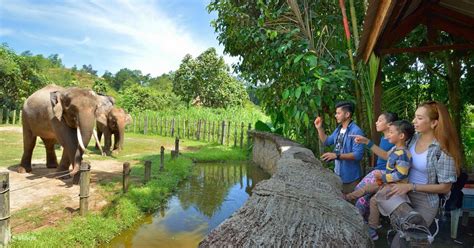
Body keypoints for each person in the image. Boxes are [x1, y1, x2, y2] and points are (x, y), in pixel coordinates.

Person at [386, 101, 461, 247]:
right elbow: (390, 156)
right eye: (415, 117)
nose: (414, 121)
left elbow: (445, 188)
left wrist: (411, 186)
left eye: (419, 118)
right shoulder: (412, 140)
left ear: (434, 123)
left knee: (403, 241)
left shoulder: (442, 149)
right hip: (404, 195)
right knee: (403, 239)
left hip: (425, 201)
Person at [347, 120, 415, 240]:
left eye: (391, 132)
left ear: (401, 136)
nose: (388, 135)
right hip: (386, 181)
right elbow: (386, 157)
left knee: (374, 200)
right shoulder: (395, 149)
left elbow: (401, 175)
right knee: (367, 188)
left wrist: (382, 177)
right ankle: (348, 197)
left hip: (394, 185)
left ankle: (372, 228)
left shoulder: (403, 154)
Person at [349, 112, 398, 240]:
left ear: (390, 125)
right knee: (363, 195)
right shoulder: (383, 138)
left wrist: (367, 142)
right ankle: (369, 226)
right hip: (378, 172)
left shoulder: (395, 140)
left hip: (384, 174)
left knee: (361, 197)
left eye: (380, 120)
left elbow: (387, 157)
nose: (376, 122)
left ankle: (361, 227)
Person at [314, 101, 365, 194]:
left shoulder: (356, 131)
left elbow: (358, 155)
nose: (335, 115)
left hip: (351, 178)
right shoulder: (338, 129)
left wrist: (336, 156)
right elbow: (326, 141)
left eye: (338, 113)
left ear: (347, 114)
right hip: (338, 175)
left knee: (351, 205)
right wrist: (319, 128)